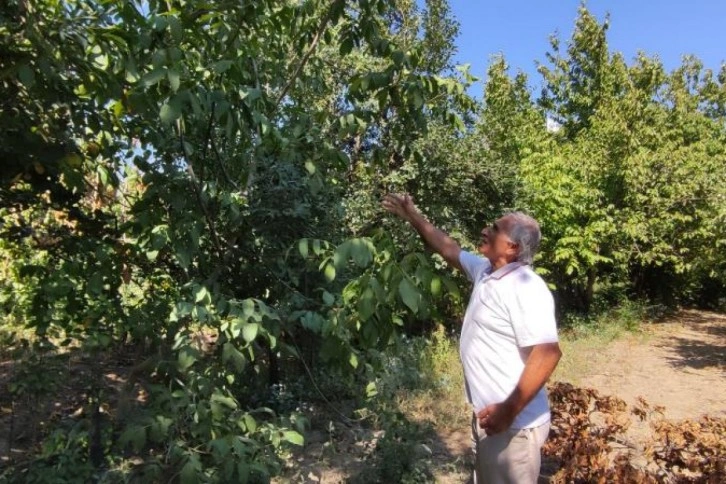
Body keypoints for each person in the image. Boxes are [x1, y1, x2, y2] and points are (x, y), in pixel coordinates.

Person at [382, 193, 561, 484]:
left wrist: (508, 410)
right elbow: (449, 249)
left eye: (494, 228)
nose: (485, 230)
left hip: (512, 426)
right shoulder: (487, 272)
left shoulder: (526, 287)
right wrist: (412, 215)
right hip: (490, 420)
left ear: (512, 247)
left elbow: (547, 353)